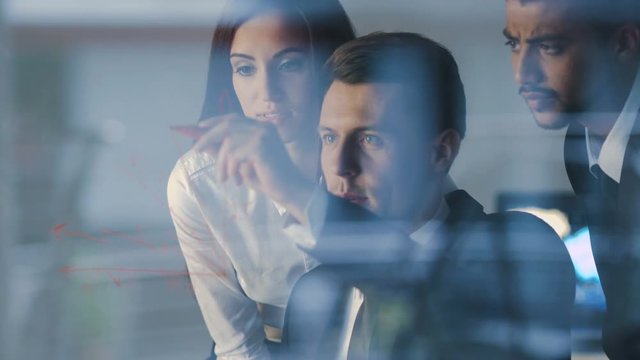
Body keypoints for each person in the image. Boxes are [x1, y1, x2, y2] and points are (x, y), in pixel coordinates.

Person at [208, 31, 575, 359]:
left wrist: (296, 193)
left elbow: (426, 300)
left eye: (370, 139)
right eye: (329, 138)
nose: (340, 166)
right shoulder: (312, 293)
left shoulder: (519, 250)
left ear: (440, 152)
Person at [166, 0, 355, 358]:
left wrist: (291, 188)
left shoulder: (374, 153)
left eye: (289, 65)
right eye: (245, 69)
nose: (267, 93)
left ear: (329, 63)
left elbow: (423, 264)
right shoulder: (199, 181)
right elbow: (236, 341)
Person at [503, 0, 640, 357]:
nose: (522, 75)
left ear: (624, 42)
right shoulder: (578, 143)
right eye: (513, 44)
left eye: (548, 46)